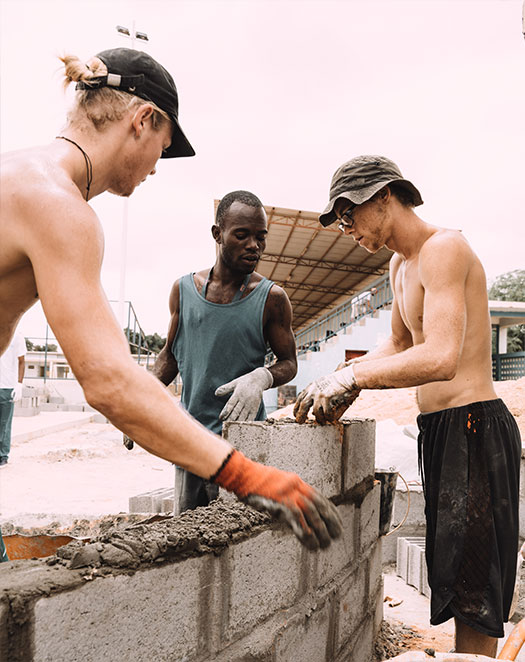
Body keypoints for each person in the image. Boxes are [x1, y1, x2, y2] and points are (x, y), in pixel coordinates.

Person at [0, 47, 341, 551]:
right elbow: (111, 382)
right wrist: (247, 475)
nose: (155, 169)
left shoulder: (21, 174)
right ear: (143, 119)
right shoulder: (58, 208)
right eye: (161, 149)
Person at [293, 155, 521, 654]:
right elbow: (398, 344)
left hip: (474, 428)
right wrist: (342, 380)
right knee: (460, 575)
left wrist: (353, 375)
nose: (347, 228)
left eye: (350, 214)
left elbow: (441, 356)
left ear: (384, 196)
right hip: (442, 431)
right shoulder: (400, 264)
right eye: (340, 220)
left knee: (474, 588)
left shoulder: (445, 249)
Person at [147, 189, 297, 514]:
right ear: (218, 234)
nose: (254, 246)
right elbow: (169, 357)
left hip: (242, 446)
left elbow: (289, 363)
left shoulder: (271, 298)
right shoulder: (183, 291)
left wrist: (261, 377)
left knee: (240, 544)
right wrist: (140, 398)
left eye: (261, 237)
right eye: (242, 235)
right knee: (188, 539)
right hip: (191, 442)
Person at [0, 329, 26, 466]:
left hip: (7, 387)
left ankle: (3, 455)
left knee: (4, 424)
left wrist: (19, 384)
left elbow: (21, 361)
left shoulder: (16, 336)